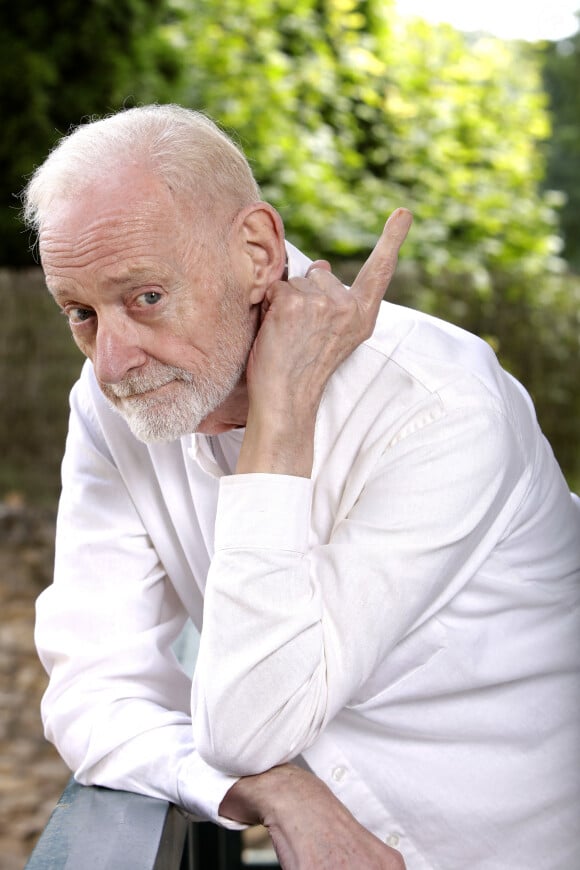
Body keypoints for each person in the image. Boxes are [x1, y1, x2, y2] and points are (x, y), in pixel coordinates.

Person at [23, 104, 579, 870]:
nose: (112, 361)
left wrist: (279, 418)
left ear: (256, 252)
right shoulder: (112, 404)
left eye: (144, 297)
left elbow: (246, 729)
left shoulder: (439, 406)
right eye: (81, 314)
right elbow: (94, 688)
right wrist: (269, 791)